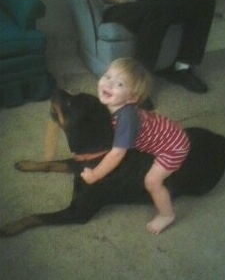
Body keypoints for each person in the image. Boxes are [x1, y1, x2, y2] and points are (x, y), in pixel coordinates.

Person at [73, 58, 191, 234]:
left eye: (120, 84)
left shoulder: (126, 119)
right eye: (107, 76)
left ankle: (167, 215)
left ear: (133, 98)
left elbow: (117, 154)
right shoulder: (115, 107)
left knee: (152, 182)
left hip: (173, 147)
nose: (109, 83)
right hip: (164, 131)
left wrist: (96, 174)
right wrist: (91, 155)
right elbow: (112, 140)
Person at [76, 0, 216, 93]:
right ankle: (138, 83)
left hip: (142, 3)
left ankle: (181, 68)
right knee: (156, 11)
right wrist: (139, 5)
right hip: (115, 9)